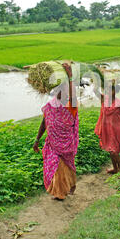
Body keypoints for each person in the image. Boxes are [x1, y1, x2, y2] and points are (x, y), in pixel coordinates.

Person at [33, 63, 79, 201]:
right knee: (54, 166)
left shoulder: (70, 106)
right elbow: (44, 122)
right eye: (58, 89)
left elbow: (73, 97)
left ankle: (64, 189)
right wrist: (37, 139)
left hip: (66, 143)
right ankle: (59, 191)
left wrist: (70, 77)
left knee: (65, 166)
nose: (59, 92)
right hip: (52, 143)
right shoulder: (50, 105)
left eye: (62, 89)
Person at [94, 81, 120, 174]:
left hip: (117, 130)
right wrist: (95, 79)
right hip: (107, 130)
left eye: (111, 90)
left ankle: (118, 167)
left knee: (113, 150)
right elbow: (95, 91)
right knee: (111, 150)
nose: (109, 92)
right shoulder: (104, 100)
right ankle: (117, 167)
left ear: (115, 91)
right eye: (107, 90)